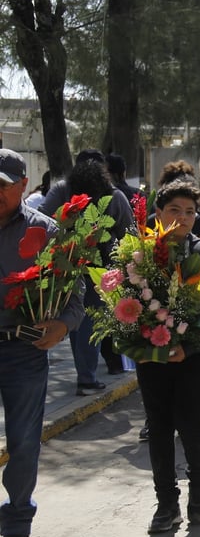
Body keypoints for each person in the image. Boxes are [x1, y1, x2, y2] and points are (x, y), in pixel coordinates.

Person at [0, 149, 85, 537]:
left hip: (23, 351)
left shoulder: (49, 232)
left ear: (22, 187)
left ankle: (16, 525)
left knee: (22, 442)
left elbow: (76, 294)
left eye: (3, 185)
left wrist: (62, 325)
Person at [140, 179, 200, 533]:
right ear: (158, 214)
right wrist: (141, 345)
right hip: (152, 356)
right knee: (158, 426)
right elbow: (127, 304)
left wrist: (185, 347)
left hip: (193, 355)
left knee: (189, 420)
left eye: (190, 212)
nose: (183, 217)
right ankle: (166, 503)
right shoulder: (141, 253)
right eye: (175, 210)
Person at [39, 150, 135, 389]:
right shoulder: (114, 196)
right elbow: (130, 234)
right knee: (89, 321)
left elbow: (40, 221)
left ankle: (84, 374)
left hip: (65, 267)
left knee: (73, 320)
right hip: (98, 271)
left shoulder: (61, 190)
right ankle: (87, 377)